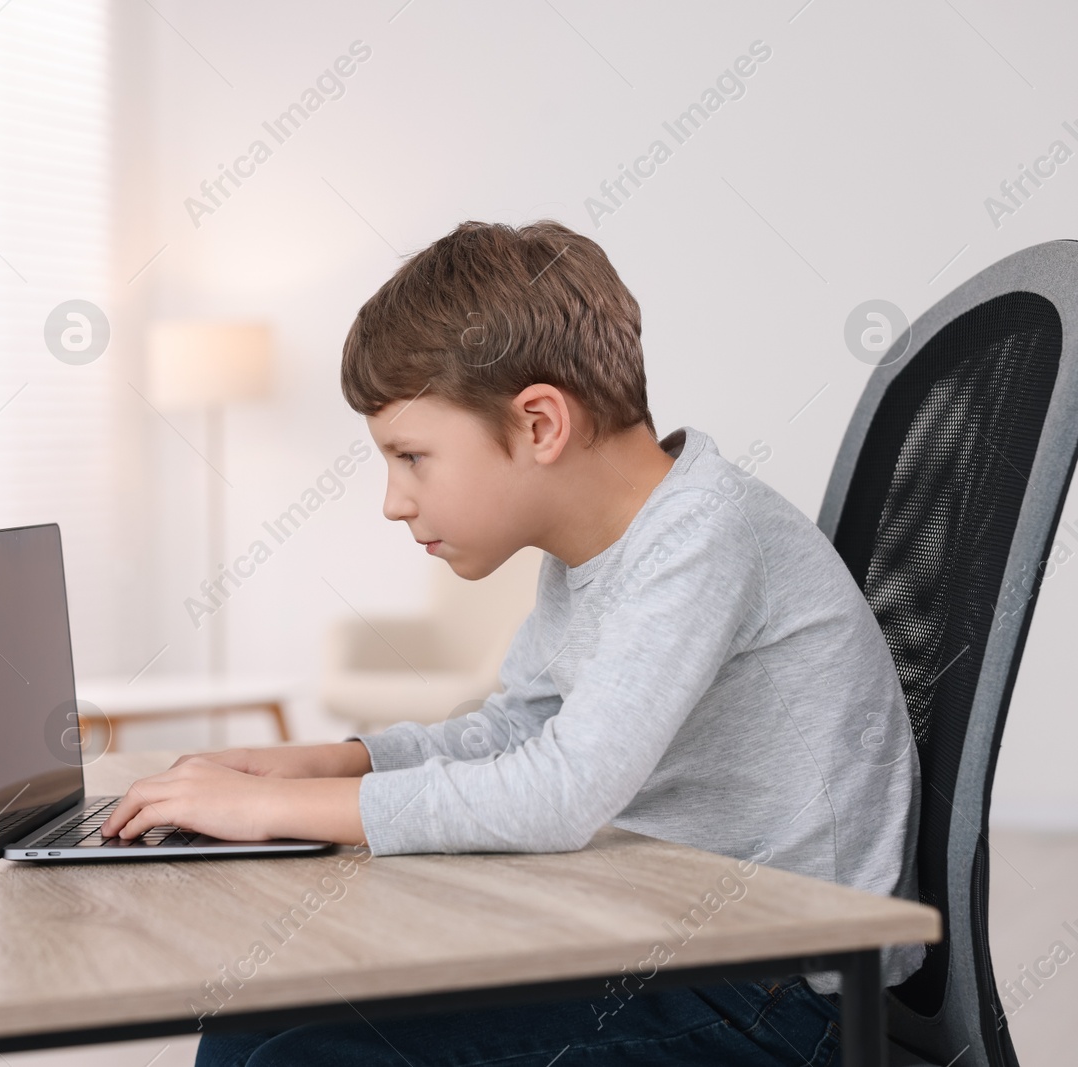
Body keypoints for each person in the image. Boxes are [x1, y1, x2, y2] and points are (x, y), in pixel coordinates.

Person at [99, 219, 924, 1066]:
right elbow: (515, 731)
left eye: (412, 456)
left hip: (778, 996)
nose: (394, 500)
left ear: (539, 425)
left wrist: (270, 812)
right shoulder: (598, 553)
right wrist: (334, 762)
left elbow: (561, 791)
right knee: (248, 1018)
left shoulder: (704, 537)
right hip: (660, 940)